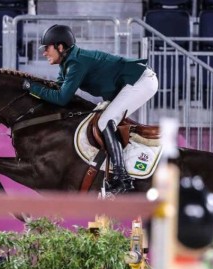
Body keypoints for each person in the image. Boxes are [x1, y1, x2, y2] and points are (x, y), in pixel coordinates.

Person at [22, 24, 159, 195]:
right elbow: (57, 89)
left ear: (60, 47)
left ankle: (122, 177)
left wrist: (31, 87)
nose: (43, 53)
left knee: (105, 121)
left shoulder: (76, 63)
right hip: (133, 82)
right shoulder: (68, 64)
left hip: (141, 81)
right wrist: (33, 88)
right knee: (105, 120)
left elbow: (62, 98)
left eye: (46, 48)